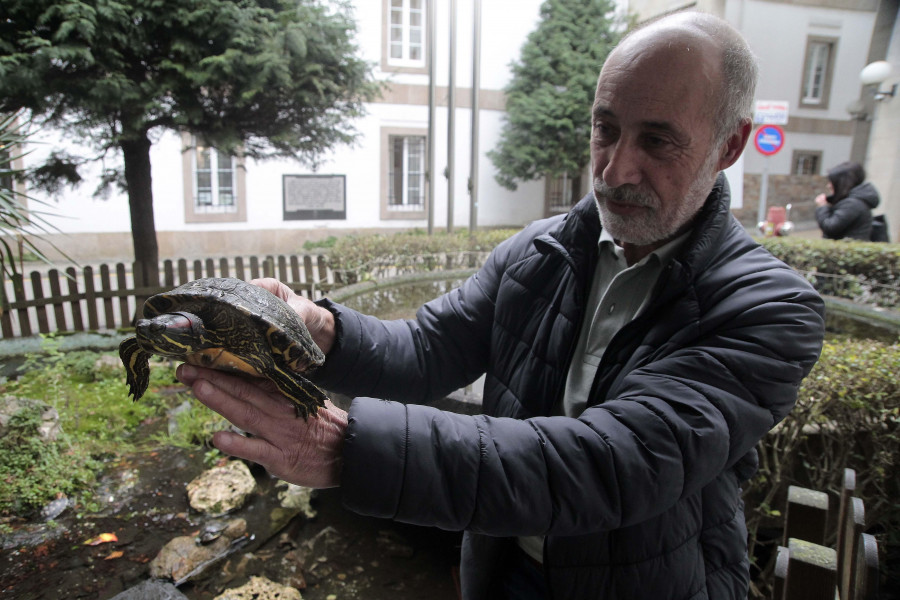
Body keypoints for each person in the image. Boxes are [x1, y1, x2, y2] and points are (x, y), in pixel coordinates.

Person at [176, 11, 826, 600]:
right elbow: (430, 350)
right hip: (503, 568)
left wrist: (351, 451)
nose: (613, 170)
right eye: (605, 129)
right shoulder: (540, 249)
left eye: (657, 142)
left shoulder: (769, 310)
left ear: (731, 146)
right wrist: (317, 331)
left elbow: (612, 465)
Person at [814, 161, 881, 241]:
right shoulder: (855, 200)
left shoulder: (852, 204)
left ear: (842, 183)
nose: (828, 185)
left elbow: (830, 227)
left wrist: (822, 206)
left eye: (832, 182)